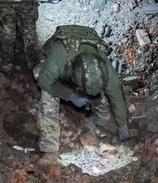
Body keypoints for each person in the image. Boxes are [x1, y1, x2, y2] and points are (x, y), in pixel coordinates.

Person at [33, 25, 130, 166]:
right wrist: (70, 95)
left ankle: (101, 128)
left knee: (101, 103)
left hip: (84, 76)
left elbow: (117, 97)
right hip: (54, 73)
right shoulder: (59, 56)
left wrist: (122, 124)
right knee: (48, 99)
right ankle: (49, 148)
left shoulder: (107, 72)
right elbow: (44, 81)